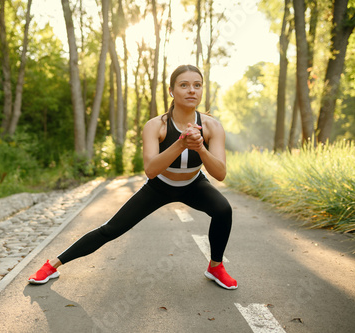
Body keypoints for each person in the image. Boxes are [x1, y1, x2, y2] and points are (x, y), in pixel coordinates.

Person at [28, 64, 237, 290]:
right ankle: (52, 265)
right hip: (160, 186)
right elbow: (150, 170)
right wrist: (180, 143)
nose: (191, 91)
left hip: (193, 184)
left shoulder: (211, 126)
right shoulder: (156, 126)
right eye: (184, 85)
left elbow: (220, 173)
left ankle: (216, 266)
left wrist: (201, 149)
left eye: (197, 85)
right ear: (171, 91)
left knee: (223, 210)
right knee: (111, 229)